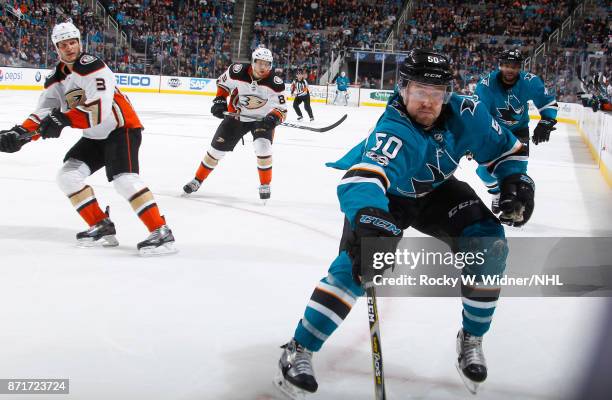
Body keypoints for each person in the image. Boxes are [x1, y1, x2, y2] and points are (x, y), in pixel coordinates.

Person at [274, 49, 535, 398]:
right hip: (389, 199)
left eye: (436, 93)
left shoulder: (467, 113)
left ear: (448, 93)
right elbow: (362, 180)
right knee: (359, 263)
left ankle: (471, 338)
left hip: (437, 192)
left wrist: (515, 182)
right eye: (419, 92)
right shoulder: (395, 128)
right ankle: (299, 348)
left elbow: (507, 151)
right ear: (402, 90)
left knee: (489, 243)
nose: (427, 102)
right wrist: (369, 216)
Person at [0, 21, 176, 256]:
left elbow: (98, 110)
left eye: (73, 42)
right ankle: (101, 225)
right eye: (64, 44)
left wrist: (63, 120)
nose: (70, 48)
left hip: (121, 129)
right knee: (68, 176)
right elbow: (43, 112)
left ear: (79, 42)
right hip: (94, 136)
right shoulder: (56, 79)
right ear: (56, 48)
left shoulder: (92, 67)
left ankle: (161, 232)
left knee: (124, 179)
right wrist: (20, 134)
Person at [182, 46, 287, 201]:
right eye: (260, 63)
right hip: (236, 116)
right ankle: (197, 180)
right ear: (253, 61)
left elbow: (282, 109)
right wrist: (219, 100)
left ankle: (265, 184)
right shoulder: (236, 71)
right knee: (215, 151)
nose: (263, 67)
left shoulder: (275, 83)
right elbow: (223, 85)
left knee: (263, 148)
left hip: (261, 120)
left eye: (267, 64)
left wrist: (273, 117)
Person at [475, 48, 557, 213]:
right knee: (484, 170)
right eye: (505, 65)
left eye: (513, 66)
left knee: (517, 171)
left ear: (520, 67)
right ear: (500, 65)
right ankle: (497, 192)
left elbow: (547, 101)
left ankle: (516, 204)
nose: (509, 69)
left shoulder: (530, 81)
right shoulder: (486, 85)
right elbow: (479, 115)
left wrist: (547, 120)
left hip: (519, 131)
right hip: (495, 132)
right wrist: (474, 139)